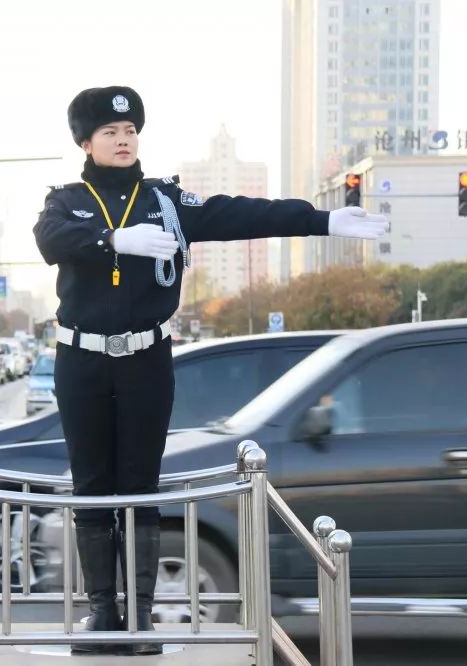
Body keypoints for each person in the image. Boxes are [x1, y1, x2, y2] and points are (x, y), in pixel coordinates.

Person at [33, 86, 387, 655]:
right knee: (93, 484)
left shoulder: (165, 200)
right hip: (82, 360)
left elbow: (239, 213)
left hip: (146, 360)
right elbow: (50, 241)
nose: (123, 140)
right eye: (110, 133)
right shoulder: (67, 201)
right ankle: (102, 611)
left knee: (139, 485)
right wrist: (113, 240)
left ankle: (140, 617)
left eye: (130, 131)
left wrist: (322, 220)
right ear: (86, 143)